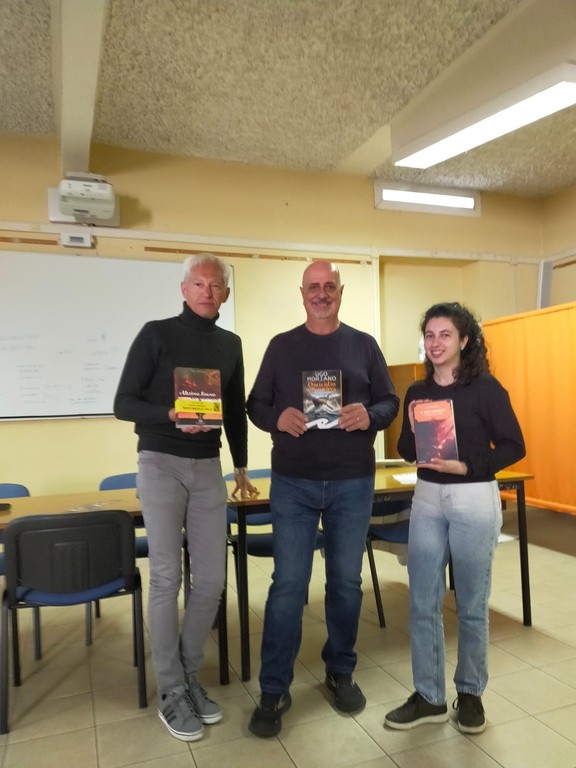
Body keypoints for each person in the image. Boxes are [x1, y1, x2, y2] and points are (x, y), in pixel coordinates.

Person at [246, 260, 399, 737]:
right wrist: (277, 417)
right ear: (302, 293)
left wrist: (369, 415)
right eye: (314, 286)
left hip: (352, 482)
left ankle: (340, 670)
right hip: (293, 482)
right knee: (288, 585)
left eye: (329, 286)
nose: (322, 293)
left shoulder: (364, 345)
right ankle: (274, 688)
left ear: (341, 291)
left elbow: (390, 402)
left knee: (346, 583)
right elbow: (255, 404)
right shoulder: (281, 346)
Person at [114, 253, 256, 742]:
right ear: (183, 289)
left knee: (212, 580)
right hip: (160, 462)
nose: (207, 292)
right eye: (198, 284)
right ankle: (171, 689)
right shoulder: (155, 334)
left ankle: (189, 675)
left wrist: (241, 466)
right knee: (167, 578)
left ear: (225, 294)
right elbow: (123, 403)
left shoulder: (231, 344)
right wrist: (170, 414)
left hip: (208, 466)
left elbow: (233, 410)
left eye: (215, 286)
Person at [384, 302, 525, 735]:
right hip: (427, 499)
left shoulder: (486, 388)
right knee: (422, 602)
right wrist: (411, 432)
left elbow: (513, 445)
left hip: (473, 498)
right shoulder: (416, 391)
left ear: (464, 340)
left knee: (470, 604)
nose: (435, 343)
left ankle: (470, 694)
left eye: (445, 335)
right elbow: (406, 449)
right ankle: (429, 696)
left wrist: (467, 466)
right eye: (429, 335)